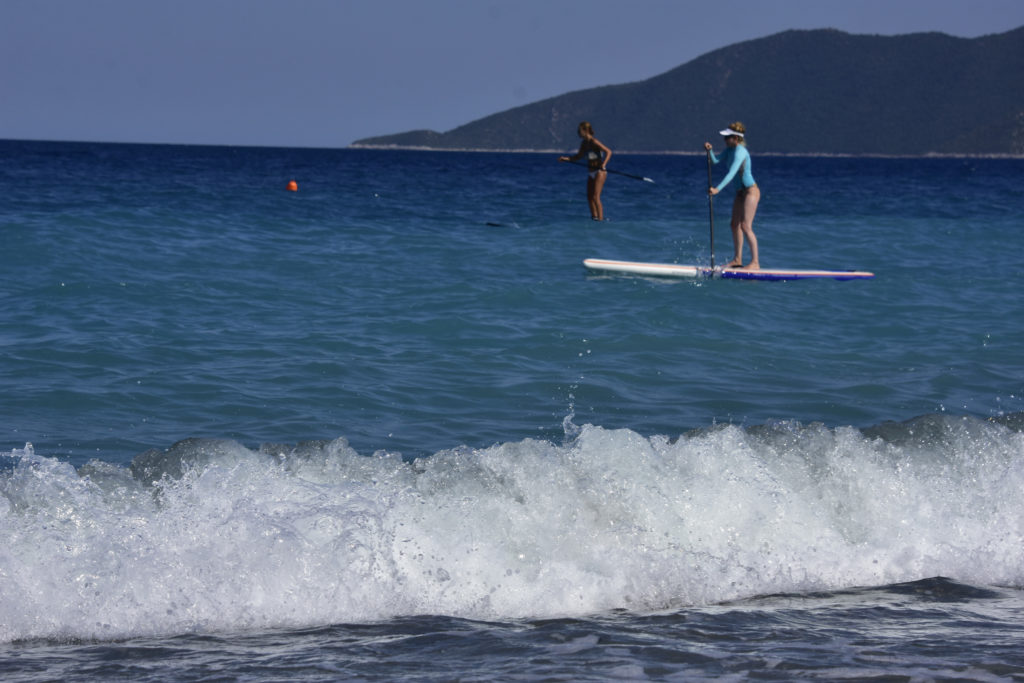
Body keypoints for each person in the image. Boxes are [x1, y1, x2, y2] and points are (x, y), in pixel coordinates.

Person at [704, 122, 760, 270]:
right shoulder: (729, 150)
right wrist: (710, 151)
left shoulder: (740, 152)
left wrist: (717, 189)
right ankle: (737, 259)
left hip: (750, 191)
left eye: (727, 138)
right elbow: (715, 161)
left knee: (746, 226)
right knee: (734, 224)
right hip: (740, 193)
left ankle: (755, 263)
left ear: (735, 138)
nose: (725, 140)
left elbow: (732, 173)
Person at [558, 121, 612, 221]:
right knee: (589, 197)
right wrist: (565, 159)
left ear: (585, 130)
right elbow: (578, 157)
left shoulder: (594, 141)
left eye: (580, 130)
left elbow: (609, 152)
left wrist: (604, 165)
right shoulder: (584, 144)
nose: (578, 132)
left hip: (600, 171)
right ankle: (594, 218)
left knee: (596, 197)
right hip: (591, 172)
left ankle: (601, 220)